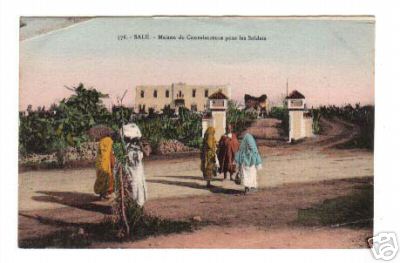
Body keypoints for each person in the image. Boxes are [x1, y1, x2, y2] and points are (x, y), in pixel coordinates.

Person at [117, 123, 149, 207]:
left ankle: (138, 206)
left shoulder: (137, 147)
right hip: (131, 172)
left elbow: (147, 153)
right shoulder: (126, 149)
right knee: (133, 188)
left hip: (138, 172)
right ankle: (133, 207)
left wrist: (141, 146)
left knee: (138, 188)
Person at [94, 134, 115, 199]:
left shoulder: (101, 141)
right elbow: (111, 153)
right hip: (107, 162)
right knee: (108, 177)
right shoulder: (110, 141)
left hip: (100, 162)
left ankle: (101, 194)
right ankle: (107, 193)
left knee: (101, 178)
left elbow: (99, 153)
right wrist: (113, 163)